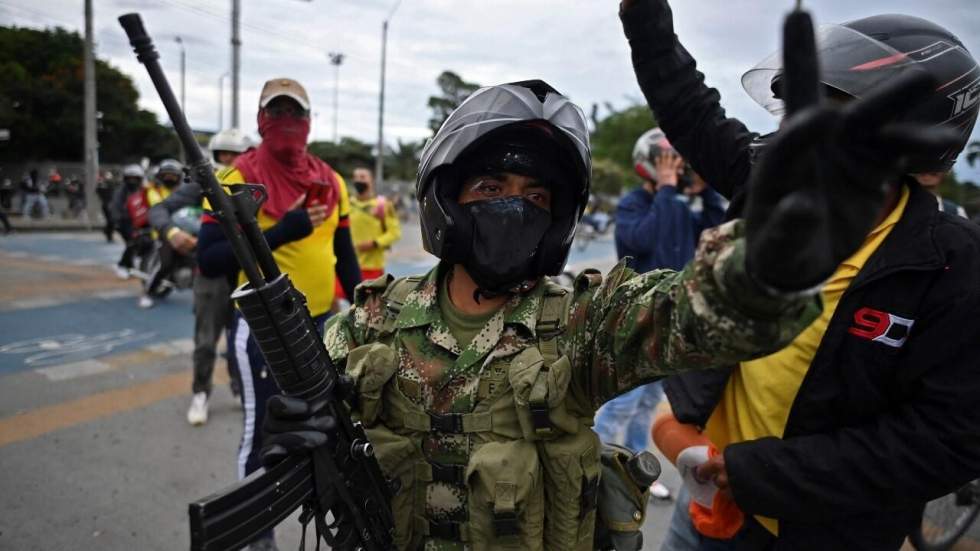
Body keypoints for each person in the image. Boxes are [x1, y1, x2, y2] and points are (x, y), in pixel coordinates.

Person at [255, 77, 924, 551]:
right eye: (490, 187)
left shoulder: (585, 321)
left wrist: (775, 251)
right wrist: (305, 432)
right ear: (447, 199)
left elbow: (702, 312)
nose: (514, 206)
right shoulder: (369, 320)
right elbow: (317, 416)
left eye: (535, 195)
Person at [619, 1, 980, 549]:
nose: (803, 137)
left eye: (839, 119)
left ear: (913, 146)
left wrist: (752, 473)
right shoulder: (768, 179)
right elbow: (687, 105)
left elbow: (946, 438)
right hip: (705, 510)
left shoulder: (953, 263)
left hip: (828, 532)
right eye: (798, 115)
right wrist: (645, 18)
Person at [196, 77, 361, 551]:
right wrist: (283, 230)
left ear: (308, 123)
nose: (288, 123)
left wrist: (369, 304)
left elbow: (344, 256)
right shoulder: (234, 178)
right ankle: (256, 536)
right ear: (261, 120)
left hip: (325, 324)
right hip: (262, 326)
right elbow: (210, 257)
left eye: (296, 114)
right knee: (263, 433)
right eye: (278, 113)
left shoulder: (331, 181)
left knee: (331, 431)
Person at [596, 128, 726, 500]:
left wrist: (704, 190)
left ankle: (637, 470)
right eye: (668, 162)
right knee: (621, 404)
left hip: (675, 323)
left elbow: (717, 234)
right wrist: (667, 190)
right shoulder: (634, 203)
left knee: (649, 404)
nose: (676, 170)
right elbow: (641, 241)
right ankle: (594, 471)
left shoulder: (684, 204)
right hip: (640, 322)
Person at [149, 128, 253, 425]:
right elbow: (160, 209)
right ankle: (201, 392)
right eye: (224, 155)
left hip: (246, 276)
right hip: (211, 275)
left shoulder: (255, 183)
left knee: (241, 342)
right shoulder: (201, 184)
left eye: (236, 155)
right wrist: (171, 232)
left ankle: (239, 387)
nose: (230, 161)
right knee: (206, 342)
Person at [140, 158, 185, 309]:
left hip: (184, 230)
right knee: (164, 263)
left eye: (173, 176)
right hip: (162, 233)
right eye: (166, 175)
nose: (169, 178)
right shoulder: (155, 191)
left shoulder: (183, 191)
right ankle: (147, 292)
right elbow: (158, 209)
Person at [347, 165, 402, 283]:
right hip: (347, 265)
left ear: (371, 181)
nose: (358, 180)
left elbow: (395, 233)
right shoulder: (347, 204)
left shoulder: (383, 205)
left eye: (362, 177)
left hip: (372, 267)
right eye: (355, 177)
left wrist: (375, 243)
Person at [111, 164, 152, 279]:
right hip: (126, 222)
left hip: (144, 221)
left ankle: (140, 265)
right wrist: (117, 221)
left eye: (135, 178)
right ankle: (123, 265)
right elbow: (115, 208)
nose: (132, 181)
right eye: (129, 178)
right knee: (132, 243)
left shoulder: (146, 189)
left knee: (148, 243)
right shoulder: (121, 192)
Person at [96, 172, 116, 242]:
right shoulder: (102, 185)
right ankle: (108, 234)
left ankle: (107, 231)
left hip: (112, 205)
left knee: (112, 221)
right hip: (106, 205)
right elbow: (98, 191)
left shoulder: (112, 185)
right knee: (110, 221)